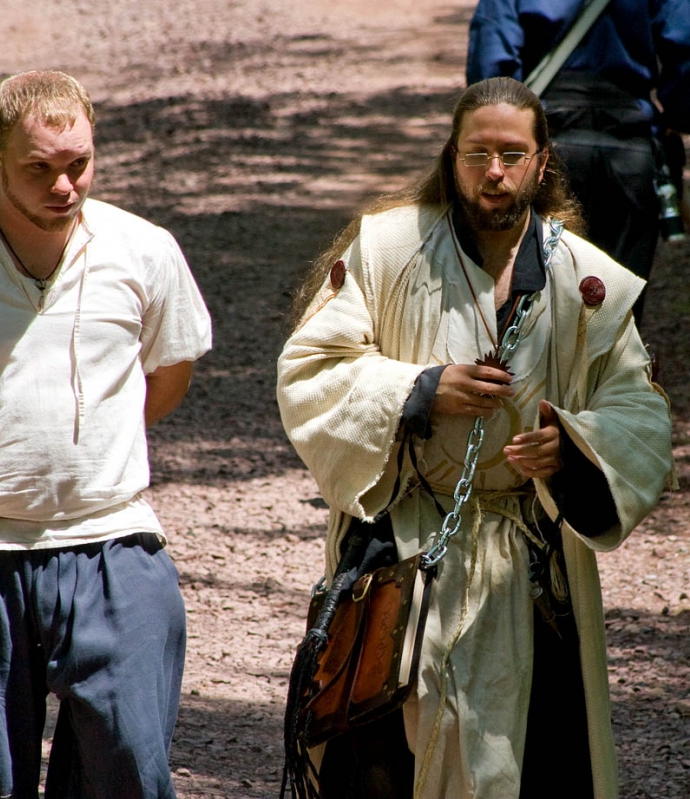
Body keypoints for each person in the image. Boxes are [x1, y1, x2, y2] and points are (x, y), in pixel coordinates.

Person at [276, 77, 674, 799]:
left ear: (542, 162)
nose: (494, 170)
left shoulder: (585, 282)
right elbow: (311, 370)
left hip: (528, 569)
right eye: (477, 153)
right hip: (403, 549)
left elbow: (639, 412)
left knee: (537, 764)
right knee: (382, 769)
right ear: (451, 157)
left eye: (512, 154)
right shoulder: (387, 251)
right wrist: (420, 388)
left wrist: (572, 444)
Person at [0, 70, 212, 798]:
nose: (64, 185)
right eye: (39, 168)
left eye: (78, 163)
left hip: (114, 542)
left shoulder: (145, 250)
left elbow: (166, 375)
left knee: (132, 767)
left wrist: (82, 447)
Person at [466, 0, 690, 324]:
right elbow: (683, 48)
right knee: (617, 308)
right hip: (629, 148)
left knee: (531, 303)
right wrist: (676, 115)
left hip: (545, 148)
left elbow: (490, 66)